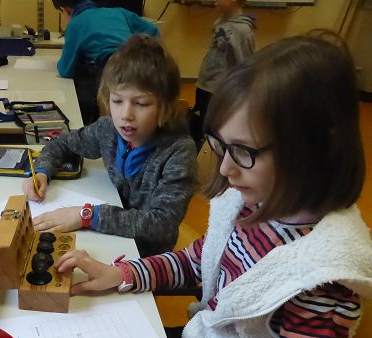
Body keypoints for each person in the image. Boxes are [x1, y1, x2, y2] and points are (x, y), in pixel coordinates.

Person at [55, 32, 372, 338]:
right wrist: (124, 273)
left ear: (313, 150)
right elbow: (198, 261)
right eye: (222, 146)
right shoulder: (257, 202)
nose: (224, 169)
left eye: (243, 151)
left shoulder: (324, 279)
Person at [23, 35, 197, 257]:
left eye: (141, 103)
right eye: (117, 101)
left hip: (145, 255)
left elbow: (161, 223)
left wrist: (88, 216)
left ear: (165, 106)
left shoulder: (179, 152)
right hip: (106, 233)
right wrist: (42, 171)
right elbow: (61, 143)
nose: (126, 115)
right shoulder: (108, 130)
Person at [53, 0, 159, 125]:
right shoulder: (119, 12)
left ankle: (89, 126)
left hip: (110, 67)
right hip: (138, 62)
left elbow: (66, 70)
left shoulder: (75, 23)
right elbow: (153, 30)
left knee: (87, 100)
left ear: (65, 10)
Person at [191, 0, 255, 149]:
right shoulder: (220, 23)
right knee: (200, 122)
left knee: (214, 128)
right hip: (205, 84)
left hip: (219, 91)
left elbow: (245, 66)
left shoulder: (243, 31)